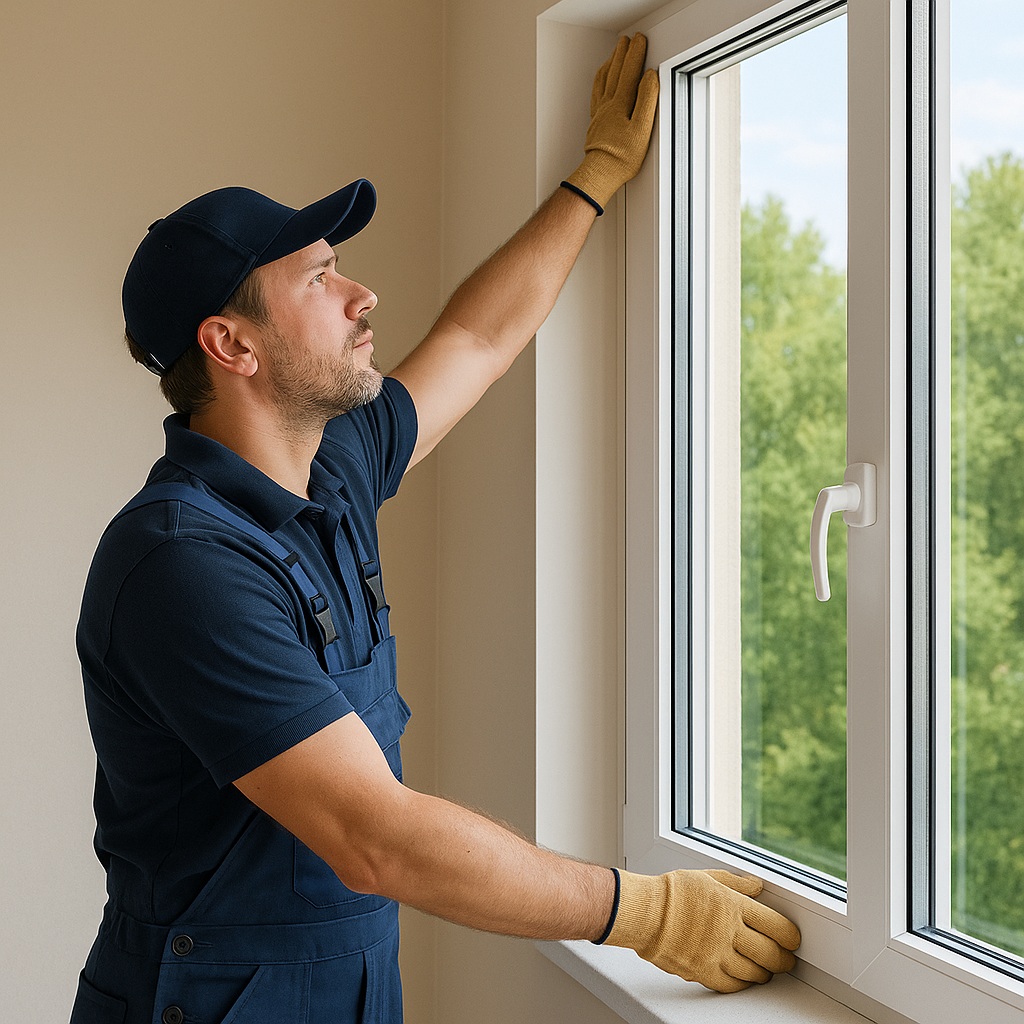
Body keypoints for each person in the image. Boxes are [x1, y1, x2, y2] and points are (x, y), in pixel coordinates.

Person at [72, 34, 800, 1024]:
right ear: (232, 343)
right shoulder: (182, 563)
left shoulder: (331, 468)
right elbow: (380, 838)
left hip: (348, 985)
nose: (360, 292)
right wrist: (649, 913)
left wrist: (595, 174)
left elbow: (480, 337)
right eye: (320, 276)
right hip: (209, 1000)